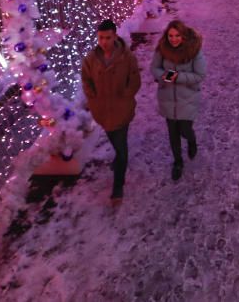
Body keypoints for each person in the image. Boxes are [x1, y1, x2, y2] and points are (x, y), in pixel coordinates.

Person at [81, 19, 141, 202]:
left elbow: (135, 80)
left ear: (115, 36)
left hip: (121, 110)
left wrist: (126, 94)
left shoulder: (127, 57)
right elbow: (86, 80)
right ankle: (118, 161)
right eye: (100, 38)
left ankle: (117, 187)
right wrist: (94, 98)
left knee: (122, 149)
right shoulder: (91, 59)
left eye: (107, 37)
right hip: (103, 112)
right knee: (115, 142)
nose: (104, 42)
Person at [150, 20, 207, 182]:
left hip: (187, 99)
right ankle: (178, 162)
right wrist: (167, 76)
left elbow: (200, 75)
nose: (173, 39)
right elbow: (154, 68)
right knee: (172, 133)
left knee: (185, 130)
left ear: (183, 36)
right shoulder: (162, 49)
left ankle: (191, 140)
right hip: (168, 98)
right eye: (170, 36)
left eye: (177, 36)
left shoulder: (193, 51)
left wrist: (179, 77)